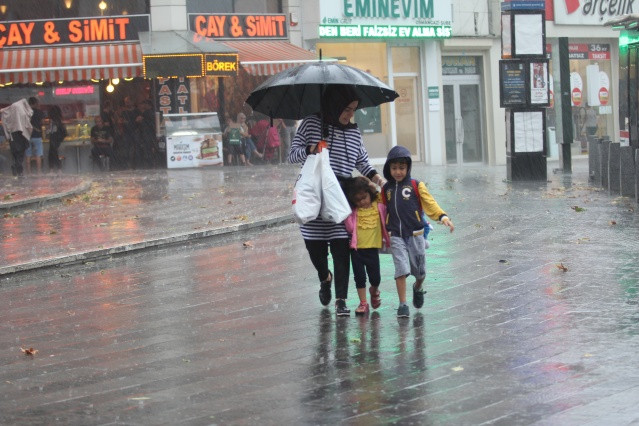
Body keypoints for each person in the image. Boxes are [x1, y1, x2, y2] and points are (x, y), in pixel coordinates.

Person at [288, 85, 386, 316]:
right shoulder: (312, 123)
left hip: (343, 197)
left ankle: (341, 299)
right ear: (334, 104)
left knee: (342, 251)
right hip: (314, 195)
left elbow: (362, 162)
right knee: (316, 250)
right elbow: (292, 155)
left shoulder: (353, 132)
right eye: (346, 109)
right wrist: (312, 148)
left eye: (353, 110)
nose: (350, 114)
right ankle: (325, 277)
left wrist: (379, 180)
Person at [382, 145, 454, 318]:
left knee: (420, 272)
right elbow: (379, 208)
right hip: (396, 236)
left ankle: (418, 287)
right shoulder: (386, 190)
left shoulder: (416, 185)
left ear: (407, 168)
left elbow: (430, 203)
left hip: (415, 235)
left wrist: (442, 217)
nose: (398, 172)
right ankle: (403, 304)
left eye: (401, 168)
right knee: (401, 269)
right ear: (388, 169)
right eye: (394, 168)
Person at [344, 176, 390, 315]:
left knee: (375, 278)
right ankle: (363, 303)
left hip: (372, 249)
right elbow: (350, 228)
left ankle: (374, 290)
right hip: (356, 250)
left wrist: (372, 183)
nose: (362, 202)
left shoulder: (379, 206)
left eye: (364, 197)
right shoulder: (354, 212)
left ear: (370, 193)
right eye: (357, 200)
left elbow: (385, 193)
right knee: (359, 277)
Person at [1, 98, 33, 177]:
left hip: (13, 137)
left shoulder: (10, 111)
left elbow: (4, 112)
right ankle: (19, 172)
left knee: (15, 155)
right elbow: (28, 123)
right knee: (20, 155)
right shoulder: (22, 112)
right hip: (20, 136)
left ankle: (16, 170)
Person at [26, 97, 44, 174]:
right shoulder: (39, 112)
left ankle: (29, 172)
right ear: (35, 103)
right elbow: (42, 122)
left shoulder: (26, 113)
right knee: (38, 154)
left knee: (28, 155)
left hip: (27, 136)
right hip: (37, 135)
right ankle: (39, 172)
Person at [47, 105, 66, 173]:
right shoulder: (59, 121)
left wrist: (47, 130)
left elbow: (50, 131)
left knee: (52, 154)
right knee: (53, 154)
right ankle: (57, 169)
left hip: (53, 139)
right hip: (58, 139)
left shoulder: (52, 121)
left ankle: (56, 169)